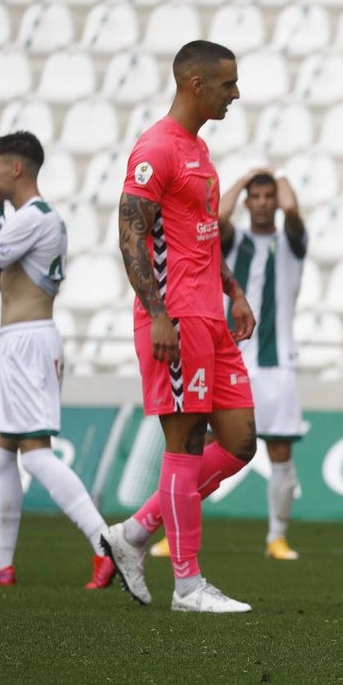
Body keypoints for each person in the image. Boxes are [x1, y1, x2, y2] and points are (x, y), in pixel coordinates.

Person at [99, 40, 258, 614]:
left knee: (240, 443)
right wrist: (159, 313)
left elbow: (200, 235)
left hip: (211, 317)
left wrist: (234, 292)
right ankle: (187, 584)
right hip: (175, 318)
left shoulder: (199, 149)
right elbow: (130, 233)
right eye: (227, 84)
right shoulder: (156, 148)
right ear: (196, 84)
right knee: (186, 444)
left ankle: (135, 532)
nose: (235, 94)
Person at [0, 131, 116, 591]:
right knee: (0, 450)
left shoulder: (35, 219)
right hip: (15, 342)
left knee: (36, 454)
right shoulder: (26, 220)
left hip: (30, 343)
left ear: (16, 168)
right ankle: (1, 563)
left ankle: (106, 544)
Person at [149, 168, 308, 561]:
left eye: (267, 196)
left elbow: (291, 209)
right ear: (247, 201)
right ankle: (173, 533)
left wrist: (275, 178)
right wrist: (242, 181)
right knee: (199, 446)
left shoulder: (291, 242)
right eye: (255, 196)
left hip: (277, 366)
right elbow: (216, 218)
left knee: (281, 452)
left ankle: (277, 538)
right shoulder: (232, 241)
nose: (263, 203)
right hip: (231, 359)